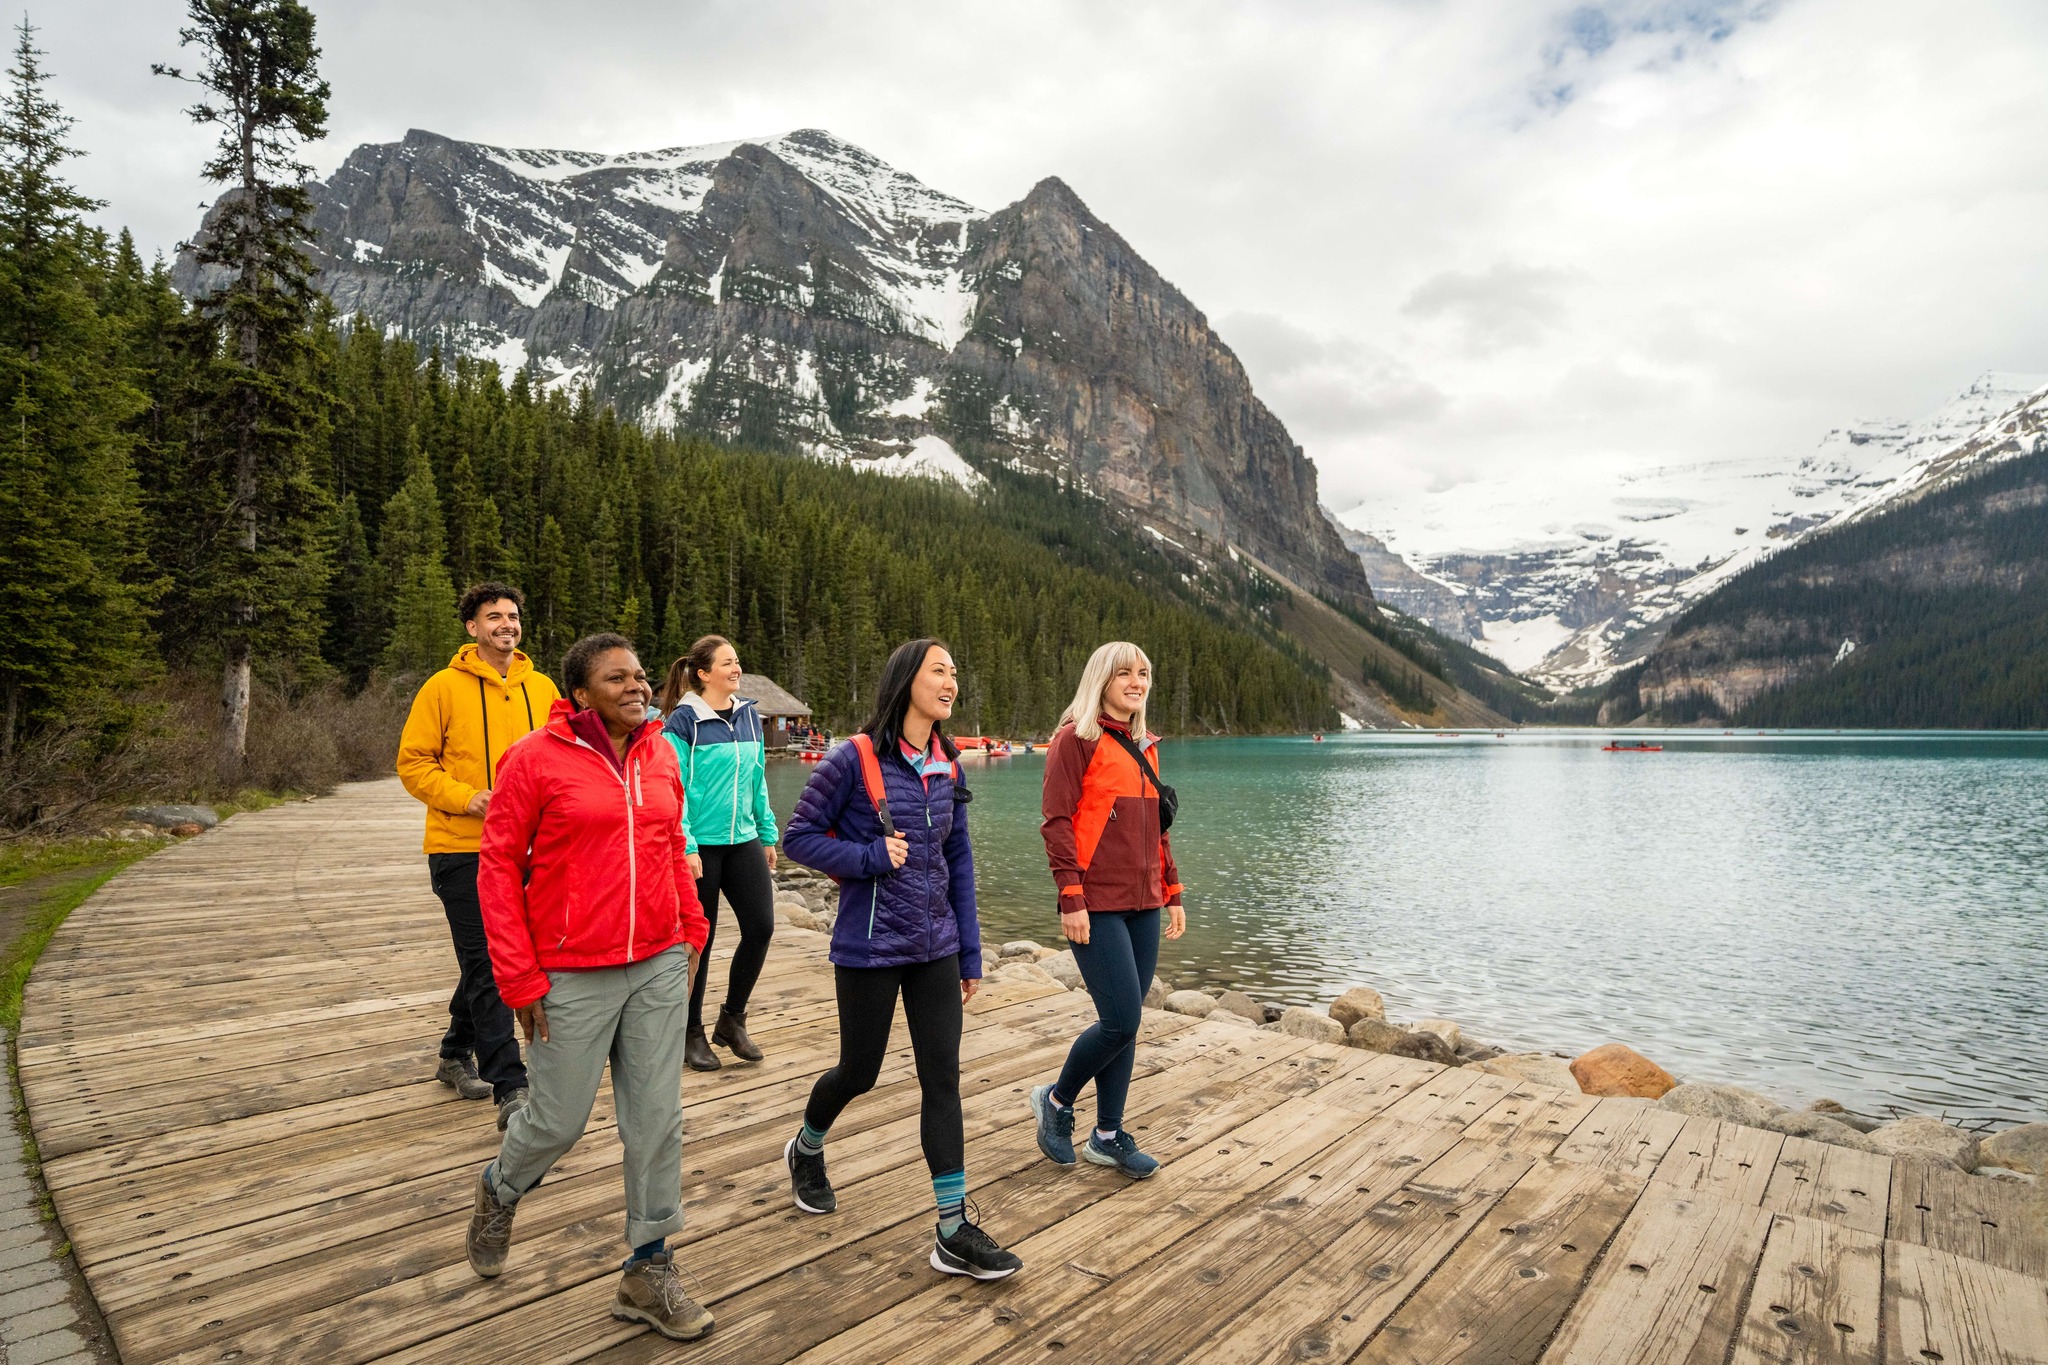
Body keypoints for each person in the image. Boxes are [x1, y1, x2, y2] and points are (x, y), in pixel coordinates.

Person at [465, 633, 715, 1341]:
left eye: (640, 675)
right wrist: (517, 973)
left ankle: (648, 1266)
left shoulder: (660, 750)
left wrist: (690, 929)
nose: (638, 686)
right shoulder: (535, 760)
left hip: (659, 962)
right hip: (569, 971)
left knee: (657, 1120)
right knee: (557, 1119)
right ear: (580, 693)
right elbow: (497, 870)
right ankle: (501, 1185)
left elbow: (671, 844)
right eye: (617, 678)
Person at [779, 638, 1023, 1281]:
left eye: (954, 673)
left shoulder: (949, 763)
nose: (951, 682)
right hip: (868, 946)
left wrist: (971, 952)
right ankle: (806, 1147)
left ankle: (951, 1229)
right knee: (858, 1072)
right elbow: (797, 837)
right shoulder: (851, 758)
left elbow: (958, 861)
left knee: (941, 1079)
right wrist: (866, 858)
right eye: (939, 671)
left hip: (935, 945)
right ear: (906, 680)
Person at [395, 582, 561, 1128]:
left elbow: (564, 759)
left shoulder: (543, 688)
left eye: (513, 616)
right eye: (494, 617)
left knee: (489, 959)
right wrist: (468, 798)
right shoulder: (442, 688)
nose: (506, 625)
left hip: (530, 848)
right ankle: (511, 1088)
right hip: (461, 847)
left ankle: (452, 1051)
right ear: (472, 627)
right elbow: (413, 764)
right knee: (489, 961)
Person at [1030, 641, 1185, 1180]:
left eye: (1143, 673)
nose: (1136, 682)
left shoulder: (1144, 744)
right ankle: (1055, 1101)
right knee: (1121, 1018)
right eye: (1125, 673)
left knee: (1127, 1024)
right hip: (1095, 903)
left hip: (1144, 902)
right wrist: (1070, 897)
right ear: (1101, 679)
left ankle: (1108, 1135)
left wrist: (1172, 890)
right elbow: (1056, 823)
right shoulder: (1075, 740)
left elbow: (1157, 829)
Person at [657, 635, 780, 1072]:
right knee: (699, 942)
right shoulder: (683, 722)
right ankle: (689, 1033)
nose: (736, 668)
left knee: (761, 927)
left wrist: (767, 833)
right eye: (727, 662)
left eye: (737, 660)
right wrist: (686, 845)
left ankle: (732, 1019)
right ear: (703, 673)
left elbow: (757, 777)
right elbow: (674, 790)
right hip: (701, 846)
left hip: (743, 839)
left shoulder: (749, 715)